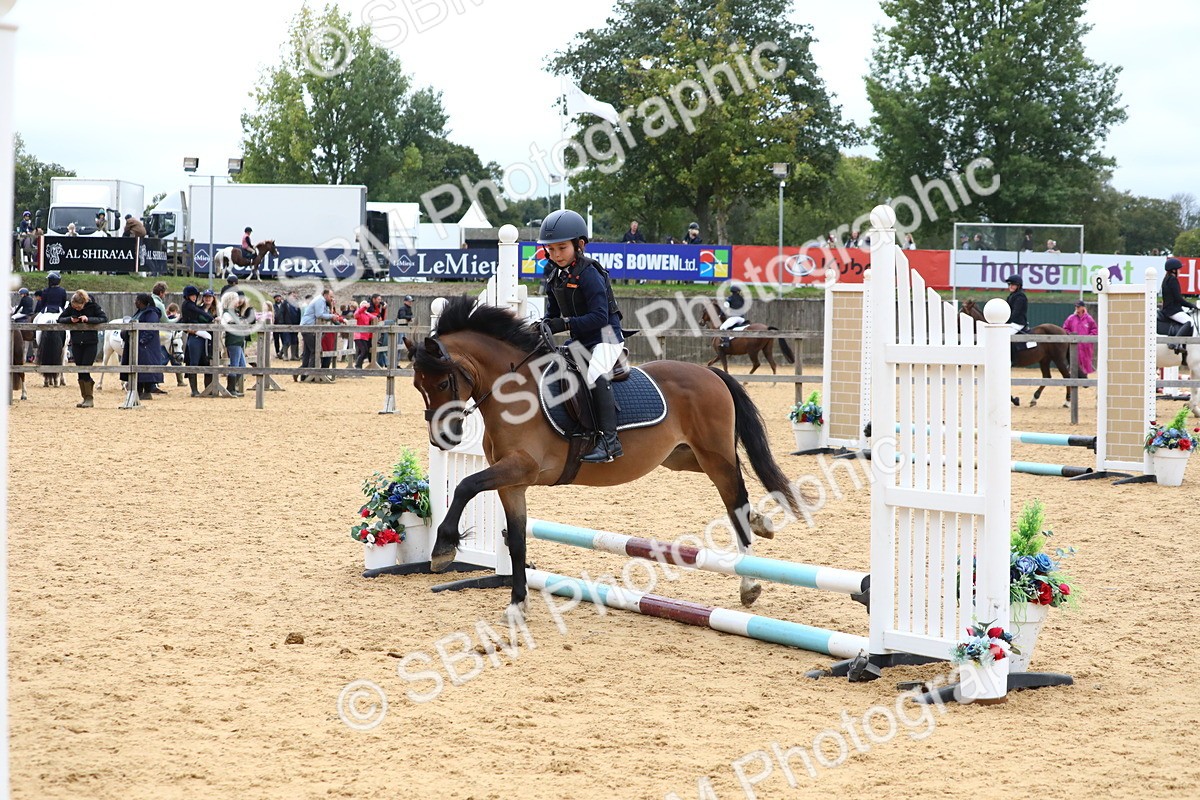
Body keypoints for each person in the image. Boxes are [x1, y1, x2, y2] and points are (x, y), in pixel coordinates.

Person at [540, 208, 626, 463]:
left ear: (579, 245)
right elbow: (553, 311)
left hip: (606, 337)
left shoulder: (589, 274)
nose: (556, 255)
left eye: (561, 248)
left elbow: (600, 317)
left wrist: (564, 324)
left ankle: (610, 443)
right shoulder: (553, 274)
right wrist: (544, 324)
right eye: (551, 250)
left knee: (595, 374)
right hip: (580, 340)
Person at [58, 290, 108, 408]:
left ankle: (89, 398)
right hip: (76, 342)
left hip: (90, 342)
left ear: (84, 302)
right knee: (80, 370)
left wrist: (88, 319)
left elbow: (103, 318)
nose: (77, 309)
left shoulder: (93, 306)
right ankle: (85, 397)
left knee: (86, 368)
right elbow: (60, 319)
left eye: (79, 307)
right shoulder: (72, 308)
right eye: (75, 307)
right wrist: (71, 319)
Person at [121, 293, 164, 400]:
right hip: (136, 344)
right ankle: (138, 391)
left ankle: (146, 391)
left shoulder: (151, 313)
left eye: (137, 300)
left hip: (145, 347)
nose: (135, 302)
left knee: (145, 369)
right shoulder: (140, 312)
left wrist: (141, 341)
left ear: (141, 301)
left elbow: (150, 329)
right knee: (136, 369)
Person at [180, 285, 215, 396]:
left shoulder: (217, 311)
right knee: (193, 362)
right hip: (195, 337)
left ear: (213, 298)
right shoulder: (195, 308)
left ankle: (208, 389)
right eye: (205, 296)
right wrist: (188, 330)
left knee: (209, 363)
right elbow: (185, 321)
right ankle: (194, 390)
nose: (207, 299)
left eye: (210, 297)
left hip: (210, 340)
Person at [221, 292, 255, 396]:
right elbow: (230, 322)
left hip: (239, 341)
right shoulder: (227, 313)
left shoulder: (234, 312)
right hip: (233, 341)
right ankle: (230, 389)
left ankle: (231, 388)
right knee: (235, 365)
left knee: (242, 366)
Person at [300, 287, 337, 382]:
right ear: (325, 295)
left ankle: (303, 375)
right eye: (330, 296)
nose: (331, 298)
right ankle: (311, 374)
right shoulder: (320, 301)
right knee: (316, 350)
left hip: (307, 327)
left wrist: (331, 308)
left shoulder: (321, 300)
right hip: (309, 327)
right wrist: (332, 316)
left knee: (308, 352)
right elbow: (319, 314)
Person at [1162, 257, 1197, 354]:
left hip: (1170, 308)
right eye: (1178, 269)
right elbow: (1178, 299)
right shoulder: (1173, 280)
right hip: (1172, 310)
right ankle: (1175, 344)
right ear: (1174, 270)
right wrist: (1192, 305)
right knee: (1189, 321)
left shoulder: (1166, 279)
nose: (1180, 270)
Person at [1061, 300, 1097, 376]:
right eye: (1076, 307)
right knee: (1074, 362)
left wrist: (1088, 339)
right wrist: (1070, 336)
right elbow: (1065, 328)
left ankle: (1084, 378)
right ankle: (1074, 379)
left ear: (1083, 307)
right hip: (1074, 345)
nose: (1077, 308)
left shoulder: (1089, 319)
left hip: (1085, 346)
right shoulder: (1071, 318)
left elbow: (1094, 330)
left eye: (1078, 307)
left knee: (1085, 362)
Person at [1004, 274, 1029, 367]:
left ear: (1018, 286)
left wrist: (1006, 321)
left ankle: (1011, 359)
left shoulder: (1020, 297)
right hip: (1011, 322)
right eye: (1009, 284)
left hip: (1018, 323)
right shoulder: (1011, 296)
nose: (1010, 286)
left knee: (1005, 336)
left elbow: (1016, 312)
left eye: (1013, 284)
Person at [11, 287, 36, 362]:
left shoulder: (23, 299)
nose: (21, 295)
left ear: (24, 294)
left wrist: (15, 313)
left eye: (21, 294)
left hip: (24, 313)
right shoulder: (31, 299)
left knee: (13, 318)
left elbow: (19, 307)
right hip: (31, 313)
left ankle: (13, 331)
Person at [353, 300, 380, 368]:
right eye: (363, 305)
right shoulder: (358, 313)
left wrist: (378, 316)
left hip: (365, 337)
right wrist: (364, 307)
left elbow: (374, 317)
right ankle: (357, 366)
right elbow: (356, 314)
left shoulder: (367, 314)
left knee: (364, 351)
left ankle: (359, 366)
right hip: (358, 336)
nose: (365, 307)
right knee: (363, 351)